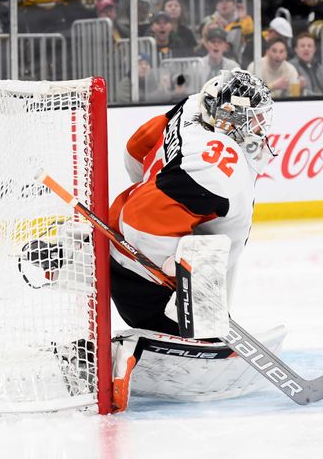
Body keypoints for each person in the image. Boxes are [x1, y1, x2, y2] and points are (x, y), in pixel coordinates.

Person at [108, 69, 276, 409]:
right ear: (231, 119)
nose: (259, 128)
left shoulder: (191, 108)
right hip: (144, 276)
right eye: (253, 120)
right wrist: (178, 272)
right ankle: (136, 351)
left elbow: (134, 149)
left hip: (116, 239)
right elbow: (145, 223)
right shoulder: (223, 168)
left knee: (201, 246)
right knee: (205, 264)